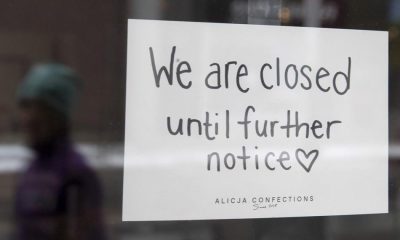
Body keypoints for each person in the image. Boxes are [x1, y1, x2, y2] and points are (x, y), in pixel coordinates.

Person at [14, 64, 106, 240]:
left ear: (59, 117)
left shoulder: (75, 174)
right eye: (26, 107)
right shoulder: (32, 171)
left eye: (40, 111)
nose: (28, 119)